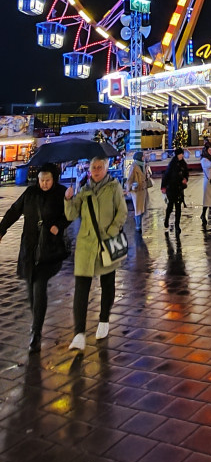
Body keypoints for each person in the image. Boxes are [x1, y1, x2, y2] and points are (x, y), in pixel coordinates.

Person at [0, 163, 69, 353]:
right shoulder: (30, 193)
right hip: (29, 248)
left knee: (39, 288)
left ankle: (36, 332)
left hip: (48, 249)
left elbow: (70, 214)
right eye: (41, 180)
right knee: (31, 290)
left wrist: (60, 225)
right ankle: (36, 322)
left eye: (47, 180)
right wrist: (2, 229)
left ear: (54, 179)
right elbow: (14, 211)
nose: (44, 184)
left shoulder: (61, 193)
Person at [65, 156, 127, 351]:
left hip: (107, 243)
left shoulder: (114, 188)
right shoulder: (84, 191)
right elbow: (71, 215)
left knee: (107, 283)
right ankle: (79, 333)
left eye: (100, 167)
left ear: (106, 168)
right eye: (94, 167)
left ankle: (104, 320)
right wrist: (68, 199)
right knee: (81, 288)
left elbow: (122, 212)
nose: (96, 170)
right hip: (86, 245)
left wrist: (111, 232)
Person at [163, 148, 189, 234]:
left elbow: (186, 173)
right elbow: (166, 176)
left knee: (178, 208)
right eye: (180, 154)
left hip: (179, 189)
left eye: (182, 154)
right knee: (170, 206)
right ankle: (167, 218)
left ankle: (177, 225)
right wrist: (163, 187)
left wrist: (185, 179)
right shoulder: (172, 165)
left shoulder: (183, 164)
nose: (182, 155)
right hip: (171, 188)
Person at [126, 150, 148, 232]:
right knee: (138, 209)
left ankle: (139, 224)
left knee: (142, 209)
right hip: (136, 190)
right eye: (142, 156)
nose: (144, 157)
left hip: (143, 189)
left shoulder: (143, 165)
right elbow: (129, 179)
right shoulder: (134, 166)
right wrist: (129, 189)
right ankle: (138, 226)